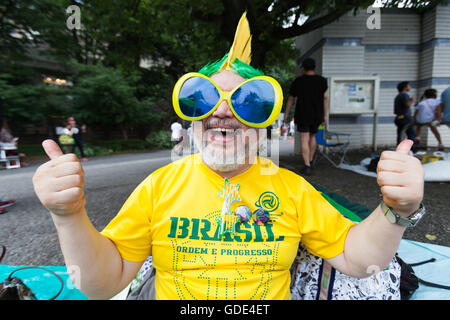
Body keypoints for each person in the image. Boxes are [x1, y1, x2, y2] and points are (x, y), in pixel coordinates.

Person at [32, 13, 425, 300]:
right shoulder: (159, 188)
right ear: (192, 118)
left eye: (250, 103)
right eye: (203, 99)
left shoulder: (290, 189)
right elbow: (102, 284)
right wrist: (69, 217)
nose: (223, 111)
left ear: (265, 123)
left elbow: (357, 259)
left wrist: (397, 209)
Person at [283, 58, 329, 176]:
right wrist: (325, 115)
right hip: (317, 114)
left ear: (303, 68)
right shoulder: (322, 81)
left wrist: (286, 114)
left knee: (304, 139)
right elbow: (325, 98)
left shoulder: (299, 81)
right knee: (313, 137)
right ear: (314, 67)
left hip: (303, 114)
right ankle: (310, 160)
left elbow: (291, 99)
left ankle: (307, 166)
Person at [394, 81, 418, 153]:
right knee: (410, 134)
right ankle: (411, 150)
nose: (410, 87)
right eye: (409, 86)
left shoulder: (399, 95)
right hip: (405, 118)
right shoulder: (404, 95)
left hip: (401, 118)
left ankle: (402, 149)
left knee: (402, 134)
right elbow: (407, 104)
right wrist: (412, 100)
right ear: (405, 87)